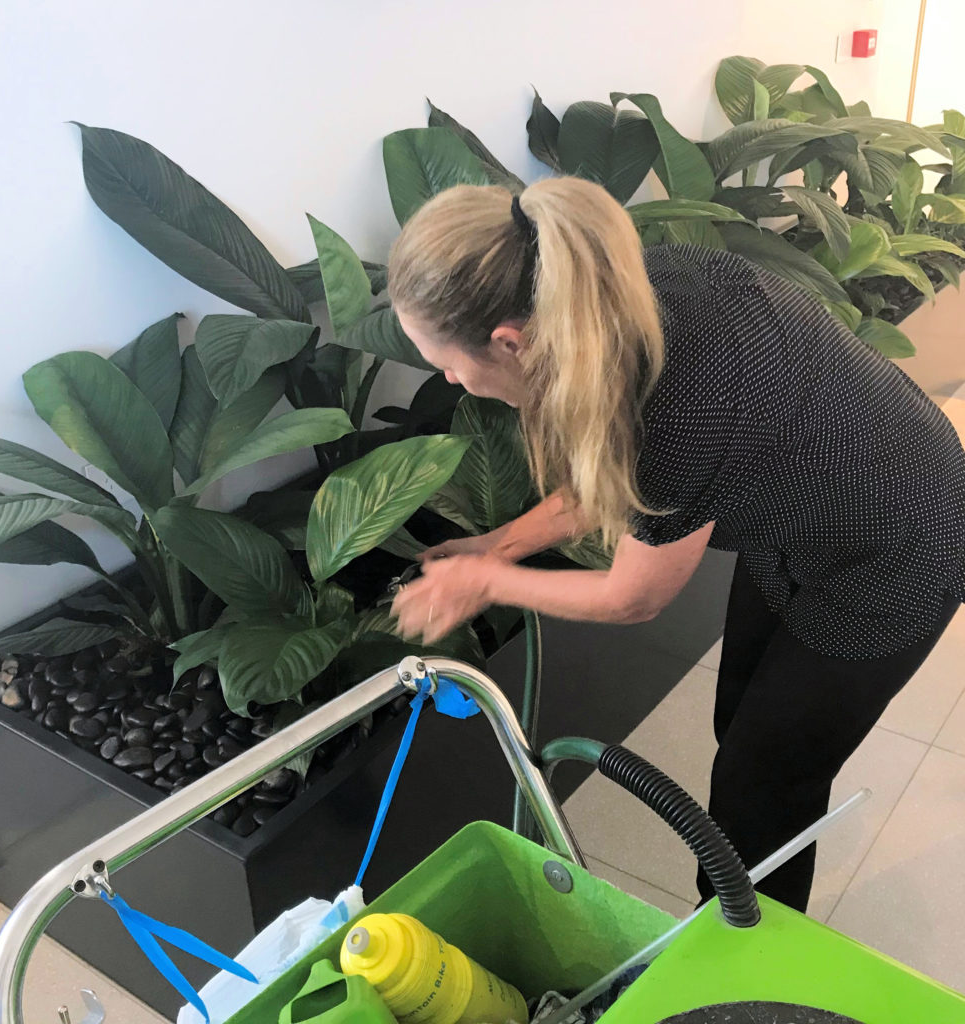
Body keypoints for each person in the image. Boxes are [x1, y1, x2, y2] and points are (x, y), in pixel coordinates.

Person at [386, 176, 965, 913]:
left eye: (444, 361)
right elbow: (611, 472)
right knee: (745, 728)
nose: (448, 377)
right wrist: (499, 545)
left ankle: (744, 968)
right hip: (806, 507)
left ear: (510, 342)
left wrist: (484, 584)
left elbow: (635, 595)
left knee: (764, 785)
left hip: (897, 548)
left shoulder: (676, 404)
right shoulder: (610, 291)